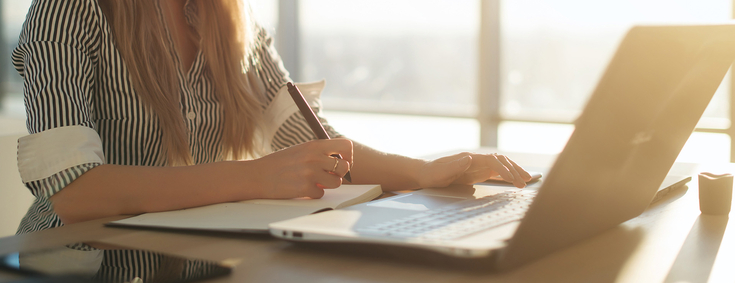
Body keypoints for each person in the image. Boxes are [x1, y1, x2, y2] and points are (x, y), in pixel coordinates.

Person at [13, 0, 532, 235]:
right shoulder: (68, 10)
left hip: (187, 253)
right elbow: (75, 193)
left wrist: (422, 172)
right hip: (72, 260)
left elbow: (315, 145)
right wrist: (254, 177)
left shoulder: (227, 17)